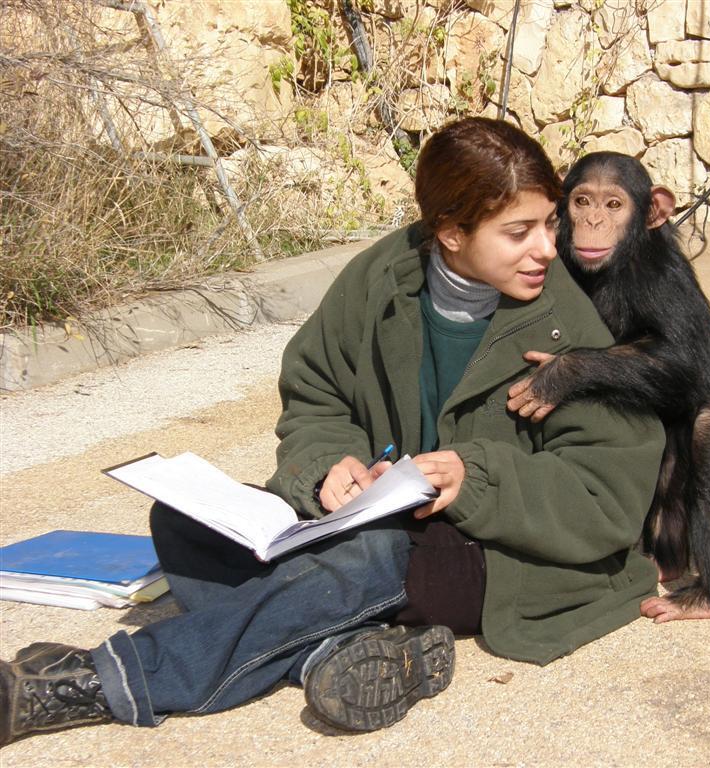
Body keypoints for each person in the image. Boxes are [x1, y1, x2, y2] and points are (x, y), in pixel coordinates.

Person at [0, 117, 665, 745]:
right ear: (451, 232)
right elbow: (317, 392)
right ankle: (330, 651)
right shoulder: (381, 277)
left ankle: (99, 680)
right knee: (185, 525)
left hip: (504, 555)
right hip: (379, 523)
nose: (549, 248)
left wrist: (474, 480)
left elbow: (607, 499)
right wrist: (326, 466)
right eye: (519, 232)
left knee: (368, 559)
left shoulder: (569, 326)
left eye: (550, 224)